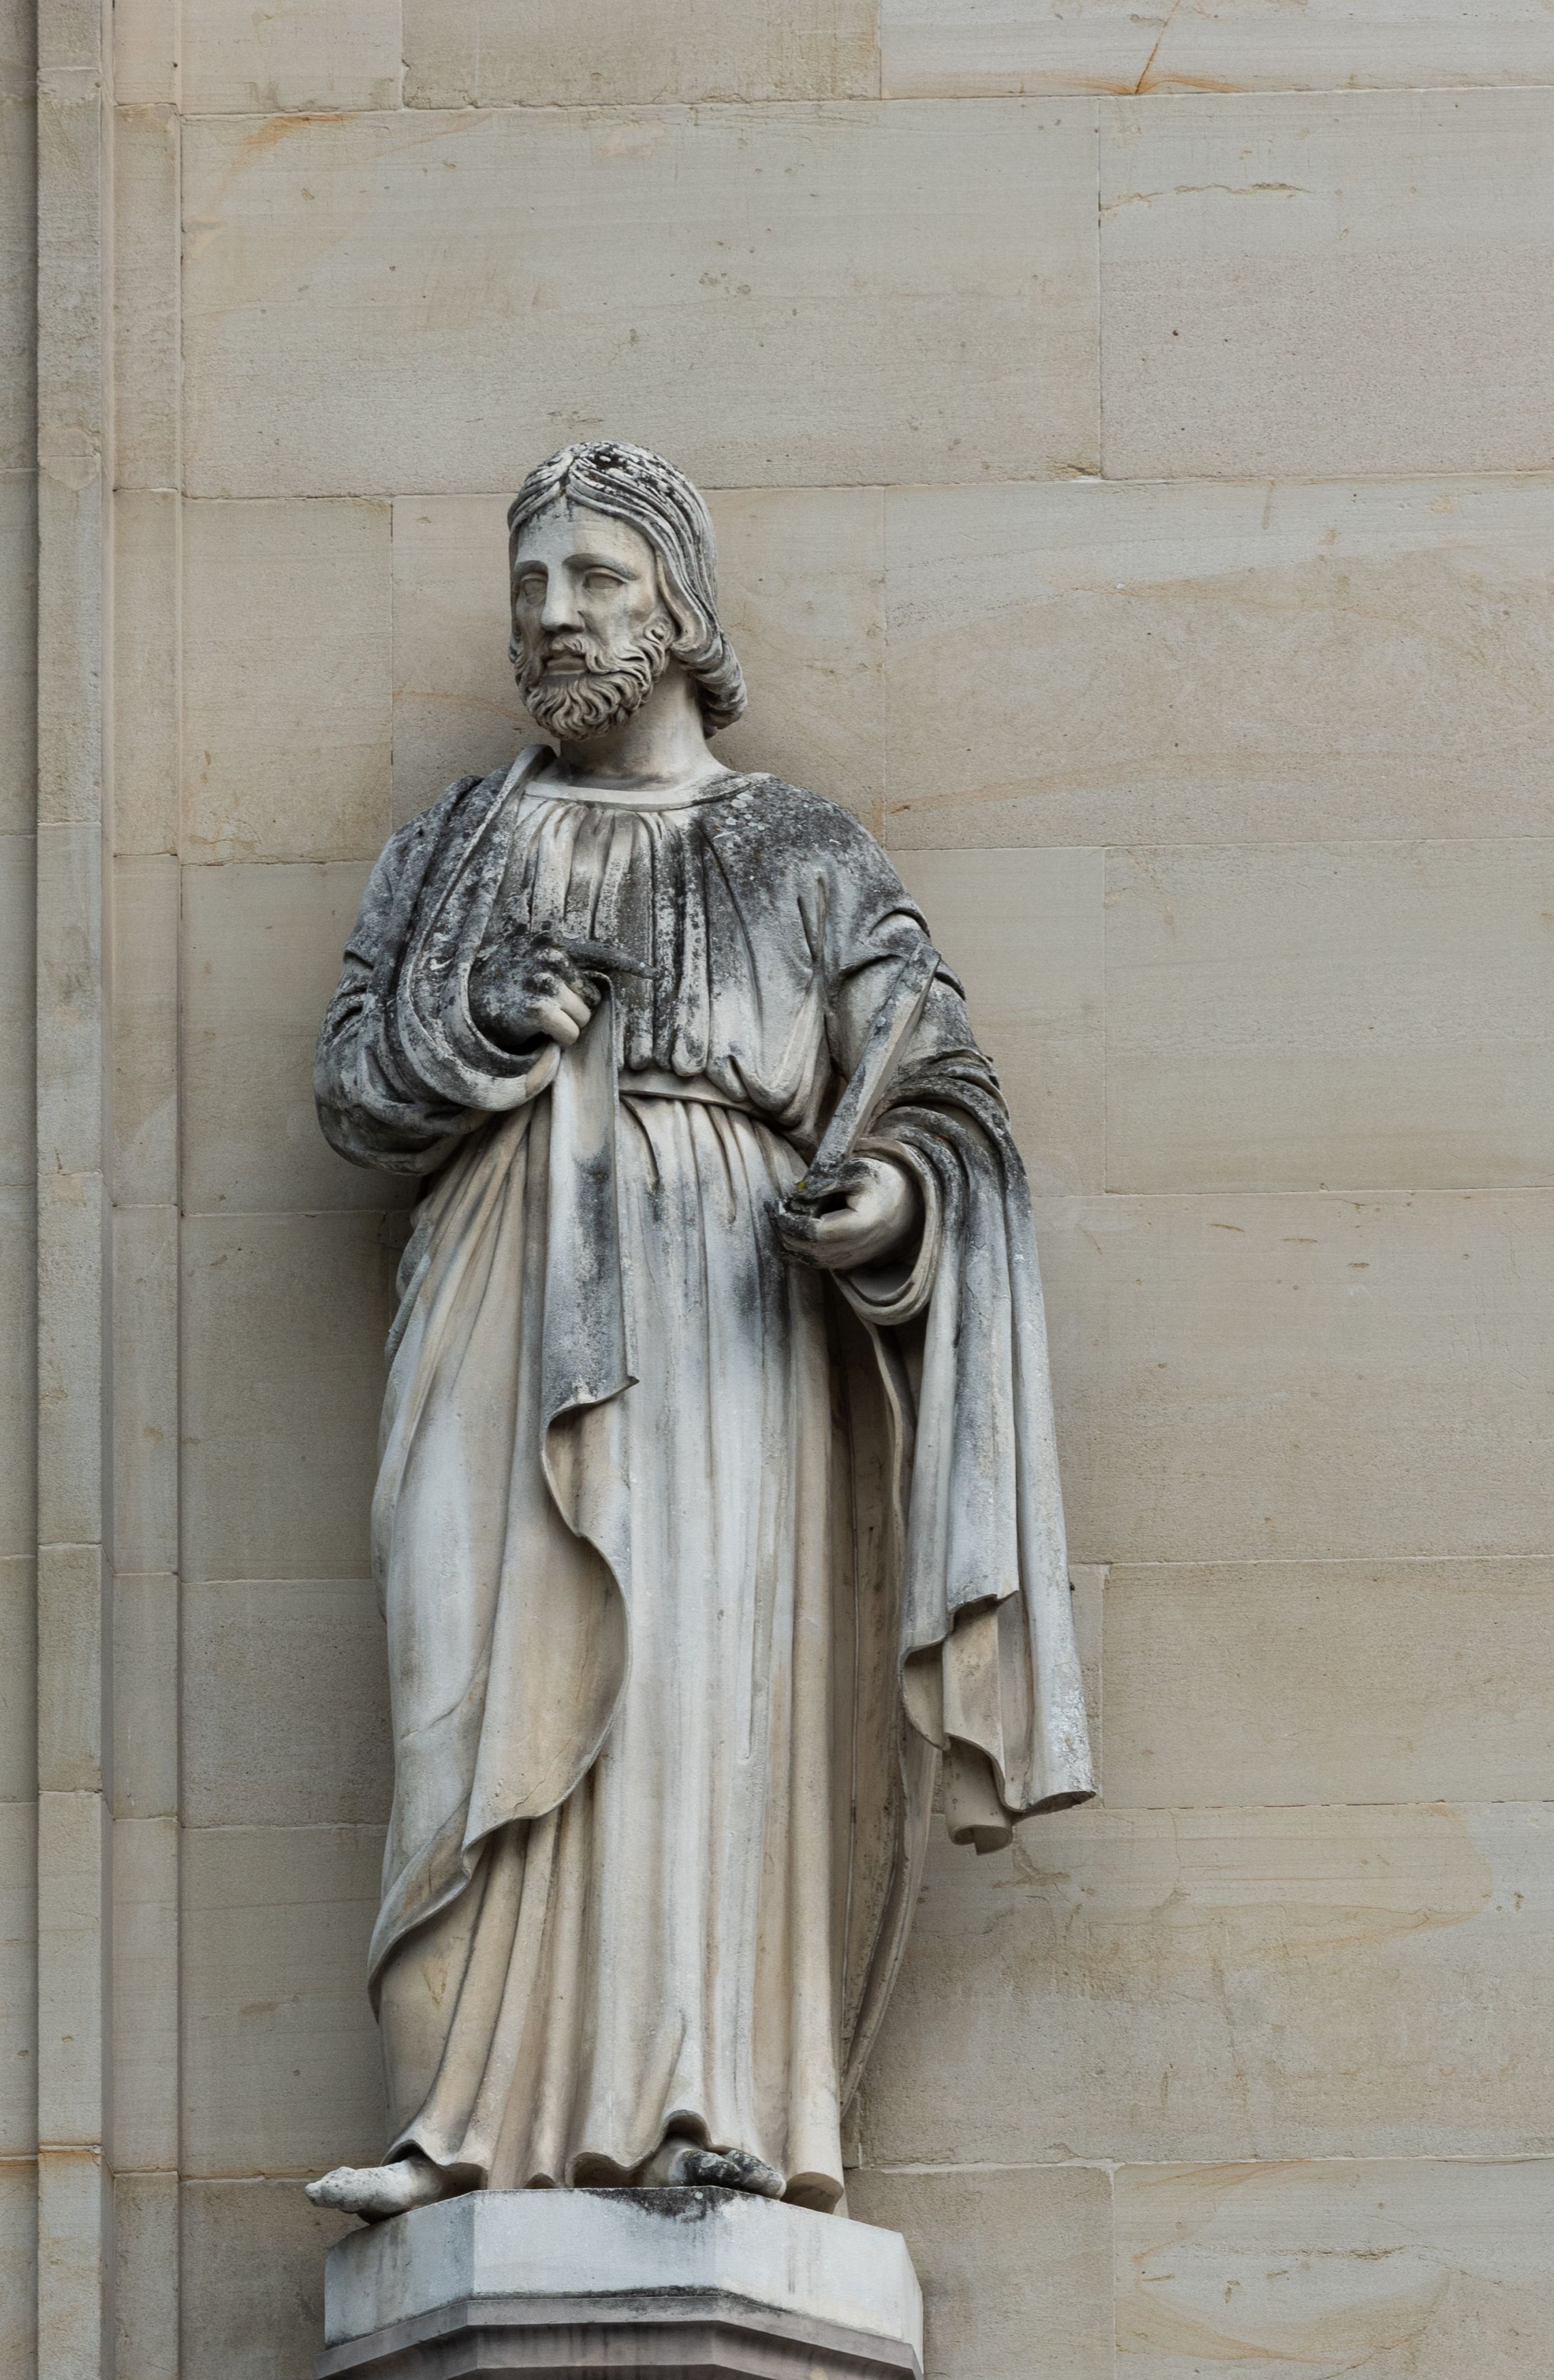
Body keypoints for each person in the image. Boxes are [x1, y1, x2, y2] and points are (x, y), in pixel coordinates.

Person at [307, 441, 1090, 2221]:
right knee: (466, 1681)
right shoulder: (453, 847)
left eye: (592, 578)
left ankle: (697, 2098)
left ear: (679, 608)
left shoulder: (799, 849)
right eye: (529, 585)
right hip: (499, 1288)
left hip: (723, 1307)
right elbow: (351, 1081)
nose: (551, 616)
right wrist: (473, 1020)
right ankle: (457, 2124)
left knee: (687, 1683)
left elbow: (940, 1090)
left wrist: (886, 1198)